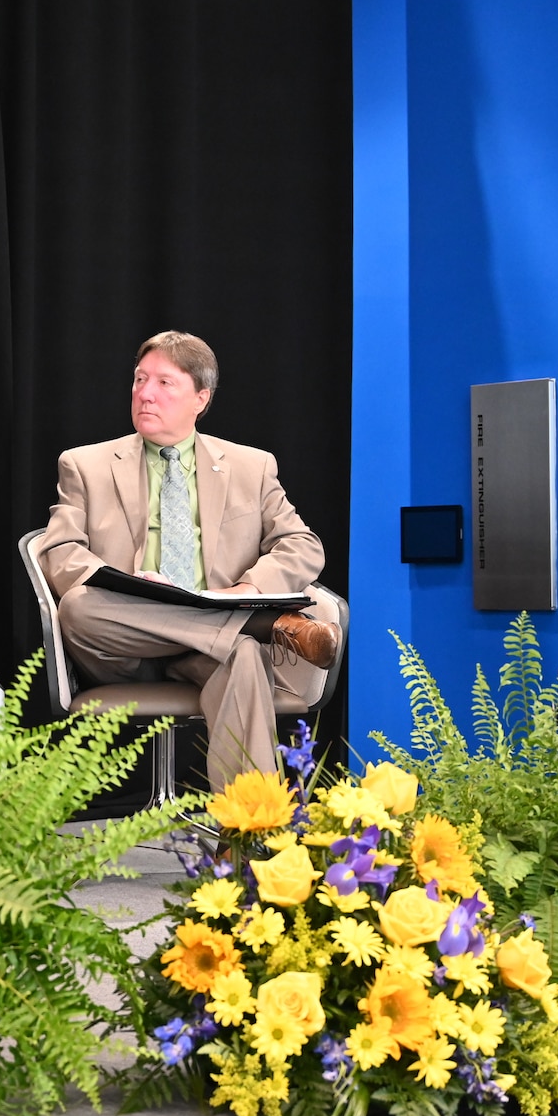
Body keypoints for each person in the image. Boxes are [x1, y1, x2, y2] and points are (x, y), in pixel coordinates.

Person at [35, 330, 340, 788]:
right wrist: (128, 585)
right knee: (79, 606)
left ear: (202, 397)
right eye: (139, 380)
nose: (144, 394)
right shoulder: (85, 464)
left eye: (163, 383)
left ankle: (247, 831)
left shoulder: (251, 467)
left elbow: (302, 544)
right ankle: (262, 626)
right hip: (123, 641)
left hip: (208, 647)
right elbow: (59, 551)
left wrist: (246, 591)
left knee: (242, 657)